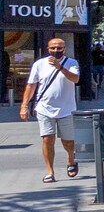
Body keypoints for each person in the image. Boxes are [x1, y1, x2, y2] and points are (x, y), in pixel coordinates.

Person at [20, 37, 81, 183]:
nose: (56, 51)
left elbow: (75, 79)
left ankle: (71, 159)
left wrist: (60, 67)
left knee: (68, 142)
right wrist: (24, 105)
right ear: (48, 49)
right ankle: (50, 171)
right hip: (44, 108)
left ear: (64, 49)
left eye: (59, 48)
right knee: (47, 139)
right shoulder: (39, 64)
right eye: (53, 48)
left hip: (66, 109)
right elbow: (31, 85)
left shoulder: (72, 63)